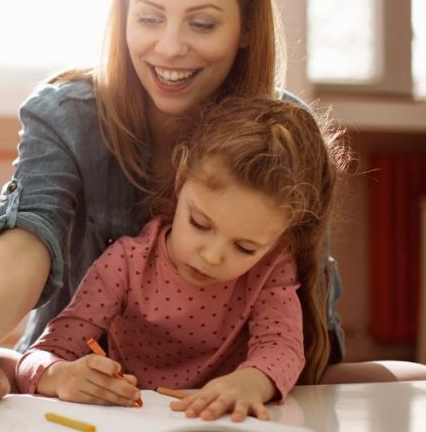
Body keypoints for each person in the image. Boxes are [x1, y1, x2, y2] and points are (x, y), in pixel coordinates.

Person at [0, 0, 426, 428]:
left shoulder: (285, 137)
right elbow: (29, 231)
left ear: (245, 27)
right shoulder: (69, 115)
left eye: (203, 23)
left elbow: (298, 325)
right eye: (148, 17)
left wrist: (261, 378)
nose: (170, 48)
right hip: (92, 394)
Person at [18, 96, 345, 422]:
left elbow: (283, 347)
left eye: (245, 247)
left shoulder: (271, 268)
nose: (212, 256)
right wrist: (60, 376)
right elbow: (43, 354)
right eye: (200, 224)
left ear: (280, 238)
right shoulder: (126, 263)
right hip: (135, 421)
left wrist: (252, 382)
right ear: (180, 181)